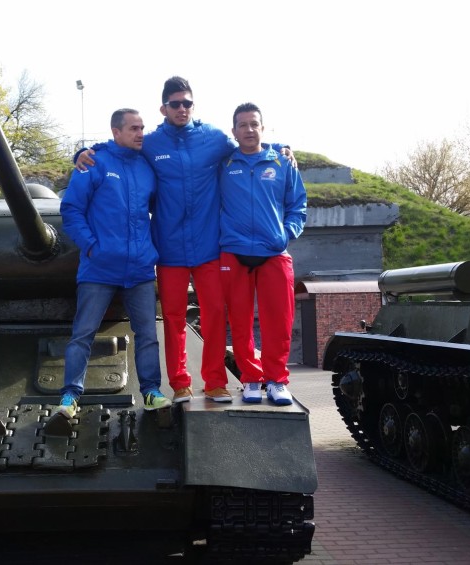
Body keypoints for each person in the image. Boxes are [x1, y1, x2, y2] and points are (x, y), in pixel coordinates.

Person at [76, 77, 292, 404]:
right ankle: (180, 384)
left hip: (208, 247)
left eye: (187, 103)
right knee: (174, 319)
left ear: (193, 105)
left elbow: (249, 146)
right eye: (175, 104)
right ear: (163, 108)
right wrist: (84, 152)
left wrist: (281, 150)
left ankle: (215, 381)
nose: (181, 109)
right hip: (169, 249)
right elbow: (120, 149)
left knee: (215, 315)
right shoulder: (150, 143)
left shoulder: (214, 139)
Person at [53, 108, 172, 419]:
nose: (140, 133)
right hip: (100, 268)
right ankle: (70, 395)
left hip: (141, 269)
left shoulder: (146, 167)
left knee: (147, 335)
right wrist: (93, 247)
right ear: (116, 131)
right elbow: (71, 210)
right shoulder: (93, 162)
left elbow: (161, 209)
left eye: (142, 127)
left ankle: (151, 391)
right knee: (83, 333)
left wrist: (153, 250)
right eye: (133, 128)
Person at [218, 103, 307, 405]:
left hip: (274, 252)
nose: (249, 130)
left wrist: (286, 233)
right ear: (234, 131)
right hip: (234, 251)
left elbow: (298, 205)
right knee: (241, 322)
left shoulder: (282, 162)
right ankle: (251, 380)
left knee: (278, 321)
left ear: (263, 128)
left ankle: (277, 380)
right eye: (242, 125)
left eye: (254, 124)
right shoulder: (224, 163)